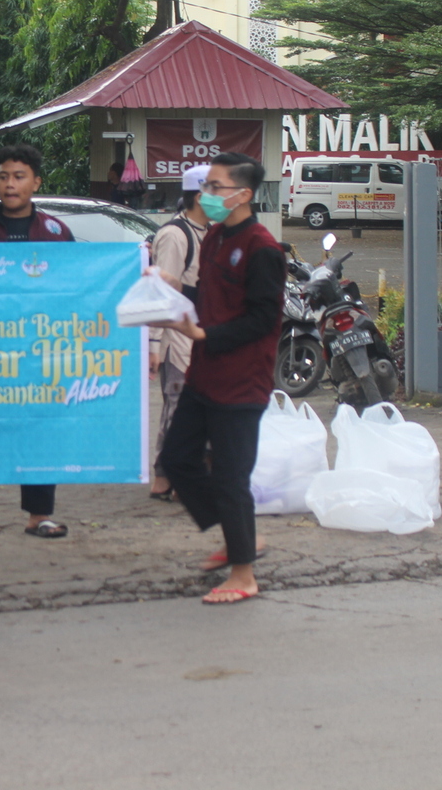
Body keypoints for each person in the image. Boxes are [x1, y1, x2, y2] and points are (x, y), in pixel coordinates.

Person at [156, 152, 283, 604]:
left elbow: (264, 319)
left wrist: (204, 332)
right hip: (204, 373)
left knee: (231, 476)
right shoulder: (212, 238)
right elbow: (206, 294)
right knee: (177, 458)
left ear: (243, 194)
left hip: (242, 382)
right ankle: (239, 536)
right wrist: (171, 286)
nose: (205, 195)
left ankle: (243, 573)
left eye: (215, 187)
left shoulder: (263, 248)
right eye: (204, 186)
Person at [0, 144, 74, 539]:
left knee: (38, 431)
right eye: (4, 176)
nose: (10, 184)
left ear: (36, 182)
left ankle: (39, 516)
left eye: (19, 177)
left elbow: (77, 287)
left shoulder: (57, 233)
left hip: (39, 355)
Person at [147, 164, 210, 499]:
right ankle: (164, 478)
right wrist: (154, 346)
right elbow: (161, 294)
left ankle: (180, 475)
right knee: (177, 409)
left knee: (195, 412)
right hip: (178, 341)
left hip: (203, 336)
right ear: (200, 195)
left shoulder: (210, 231)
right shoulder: (175, 235)